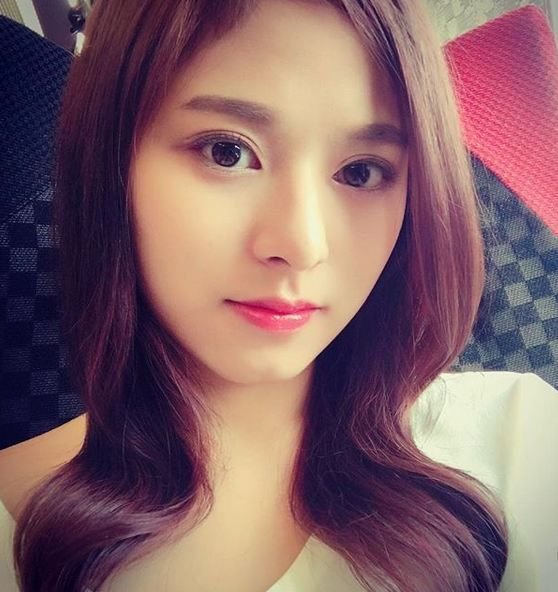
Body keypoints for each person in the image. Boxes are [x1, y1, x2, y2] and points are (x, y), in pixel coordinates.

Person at [0, 0, 557, 590]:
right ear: (109, 164)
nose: (302, 245)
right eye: (228, 152)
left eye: (362, 171)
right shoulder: (22, 531)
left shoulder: (519, 442)